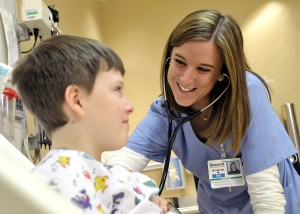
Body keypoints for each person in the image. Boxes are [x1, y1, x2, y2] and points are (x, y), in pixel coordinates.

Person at [106, 9, 300, 213]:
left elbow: (265, 193)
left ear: (222, 74)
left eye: (203, 69)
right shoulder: (166, 113)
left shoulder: (247, 94)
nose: (186, 79)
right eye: (180, 62)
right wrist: (144, 194)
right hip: (216, 207)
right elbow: (117, 167)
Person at [12, 35, 168, 213]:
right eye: (118, 89)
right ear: (77, 100)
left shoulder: (106, 177)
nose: (130, 106)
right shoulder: (60, 186)